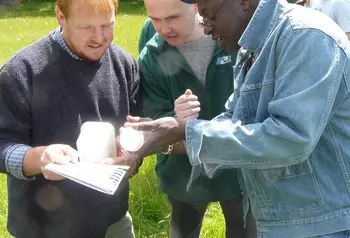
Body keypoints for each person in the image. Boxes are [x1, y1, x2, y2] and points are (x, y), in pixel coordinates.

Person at [124, 0, 350, 237]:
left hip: (324, 223)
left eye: (210, 16)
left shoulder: (305, 36)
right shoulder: (252, 47)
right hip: (283, 218)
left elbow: (291, 138)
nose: (207, 28)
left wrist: (186, 131)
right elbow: (235, 118)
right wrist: (176, 131)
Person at [0, 0, 141, 237]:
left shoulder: (125, 65)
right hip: (44, 226)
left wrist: (133, 160)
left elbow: (137, 133)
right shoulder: (21, 72)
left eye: (107, 25)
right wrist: (39, 158)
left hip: (112, 220)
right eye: (86, 27)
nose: (99, 37)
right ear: (60, 16)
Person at [137, 0, 257, 237]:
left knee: (245, 230)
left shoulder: (234, 36)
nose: (164, 28)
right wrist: (175, 119)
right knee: (183, 230)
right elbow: (152, 122)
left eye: (172, 18)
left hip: (239, 168)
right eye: (155, 19)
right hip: (182, 174)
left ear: (195, 5)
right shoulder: (151, 56)